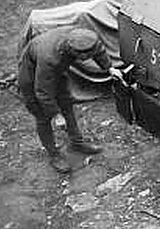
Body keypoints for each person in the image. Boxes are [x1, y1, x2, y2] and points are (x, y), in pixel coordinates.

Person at [18, 27, 123, 173]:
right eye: (83, 56)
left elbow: (99, 52)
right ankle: (54, 154)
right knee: (42, 115)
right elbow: (42, 91)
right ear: (71, 50)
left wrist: (109, 68)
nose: (86, 58)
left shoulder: (89, 40)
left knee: (66, 103)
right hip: (32, 70)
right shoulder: (51, 58)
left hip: (58, 69)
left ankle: (77, 143)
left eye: (89, 54)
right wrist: (56, 115)